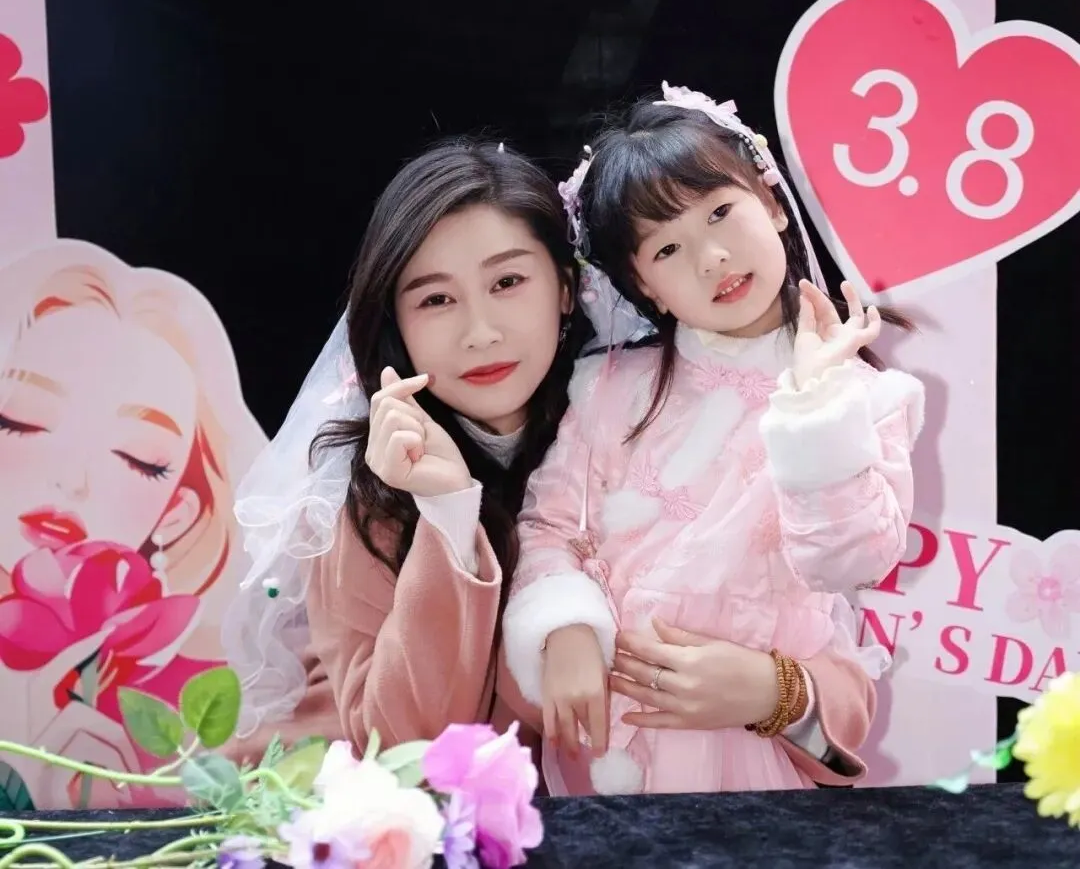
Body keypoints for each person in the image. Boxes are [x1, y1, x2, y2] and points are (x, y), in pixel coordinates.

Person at [224, 139, 881, 786]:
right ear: (395, 321)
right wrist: (447, 513)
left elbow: (823, 660)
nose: (481, 332)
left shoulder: (631, 420)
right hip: (387, 817)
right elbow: (405, 748)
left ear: (567, 289)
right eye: (436, 299)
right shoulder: (372, 491)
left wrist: (778, 692)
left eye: (508, 282)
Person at [503, 85, 922, 795]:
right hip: (608, 747)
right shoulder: (608, 388)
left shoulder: (860, 399)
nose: (712, 258)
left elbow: (851, 561)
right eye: (668, 247)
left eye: (721, 212)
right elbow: (549, 525)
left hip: (743, 755)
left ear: (773, 203)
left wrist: (814, 403)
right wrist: (565, 624)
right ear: (645, 288)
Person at [0, 240, 266, 807]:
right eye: (22, 421)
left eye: (138, 458)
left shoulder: (206, 709)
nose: (71, 478)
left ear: (178, 511)